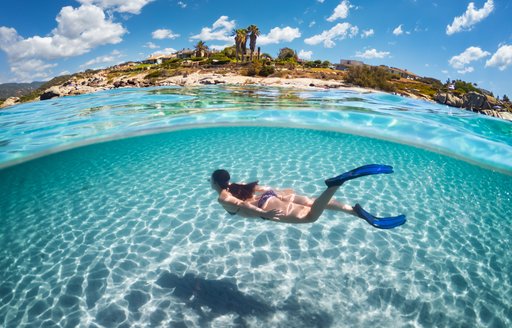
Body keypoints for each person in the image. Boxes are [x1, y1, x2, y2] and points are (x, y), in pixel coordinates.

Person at [210, 164, 406, 229]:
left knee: (310, 216)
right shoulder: (238, 184)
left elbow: (242, 206)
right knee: (313, 202)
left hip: (266, 207)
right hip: (273, 196)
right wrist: (282, 193)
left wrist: (264, 213)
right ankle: (354, 212)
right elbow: (265, 188)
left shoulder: (223, 197)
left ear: (215, 183)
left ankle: (335, 185)